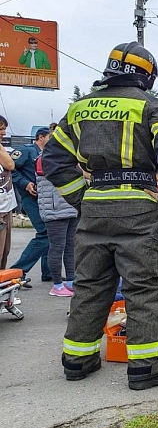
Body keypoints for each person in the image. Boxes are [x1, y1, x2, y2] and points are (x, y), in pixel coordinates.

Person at [43, 41, 158, 390]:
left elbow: (53, 160)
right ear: (147, 76)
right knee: (145, 287)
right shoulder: (150, 106)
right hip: (139, 210)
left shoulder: (79, 109)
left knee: (91, 286)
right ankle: (147, 369)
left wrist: (81, 197)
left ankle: (77, 360)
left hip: (94, 210)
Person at [36, 132, 79, 297]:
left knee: (70, 247)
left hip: (70, 207)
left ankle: (70, 280)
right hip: (54, 209)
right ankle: (57, 285)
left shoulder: (70, 157)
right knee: (57, 247)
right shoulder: (44, 158)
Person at [10, 127, 52, 284]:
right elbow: (10, 168)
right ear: (41, 137)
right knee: (45, 234)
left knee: (51, 234)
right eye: (50, 137)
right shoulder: (26, 151)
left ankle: (49, 272)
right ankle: (17, 271)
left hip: (46, 199)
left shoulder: (49, 154)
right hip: (30, 199)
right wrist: (24, 183)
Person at [0, 115, 17, 269]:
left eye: (4, 129)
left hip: (6, 206)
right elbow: (10, 164)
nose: (4, 133)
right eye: (0, 129)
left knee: (4, 252)